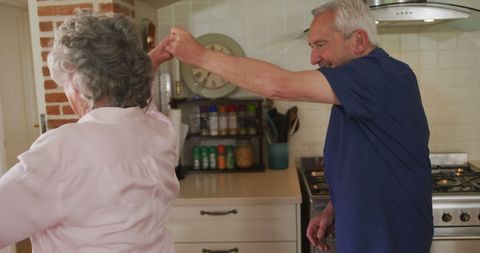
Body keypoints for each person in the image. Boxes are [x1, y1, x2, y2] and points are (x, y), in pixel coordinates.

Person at [153, 0, 433, 252]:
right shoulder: (355, 85)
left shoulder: (380, 74)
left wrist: (201, 56)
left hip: (389, 239)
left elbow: (280, 86)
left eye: (320, 45)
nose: (314, 59)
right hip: (365, 231)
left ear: (358, 40)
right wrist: (335, 208)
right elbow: (368, 159)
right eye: (311, 47)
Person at [0, 9, 179, 253]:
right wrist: (143, 66)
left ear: (77, 81)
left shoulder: (63, 149)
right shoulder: (160, 130)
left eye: (64, 83)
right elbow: (141, 106)